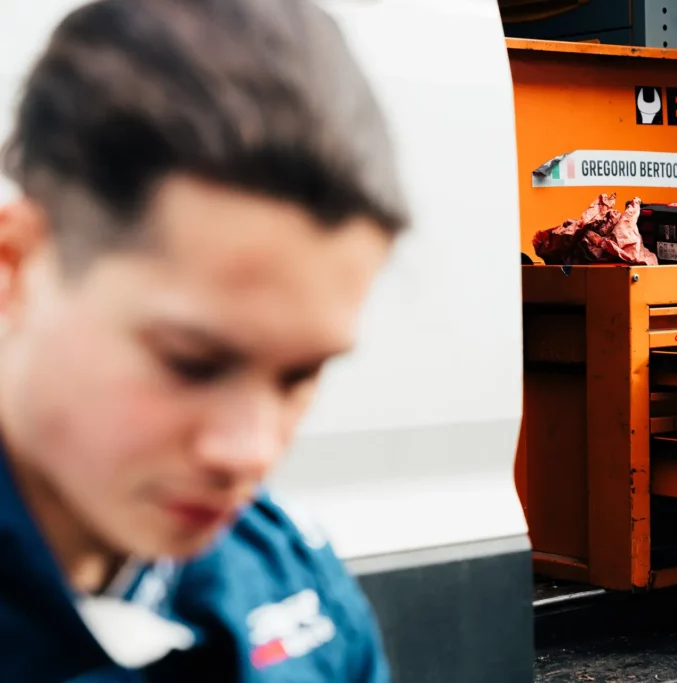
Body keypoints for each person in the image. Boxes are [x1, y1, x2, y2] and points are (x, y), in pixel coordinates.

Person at [0, 0, 406, 680]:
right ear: (16, 267)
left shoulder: (294, 591)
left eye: (299, 375)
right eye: (192, 363)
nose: (250, 453)